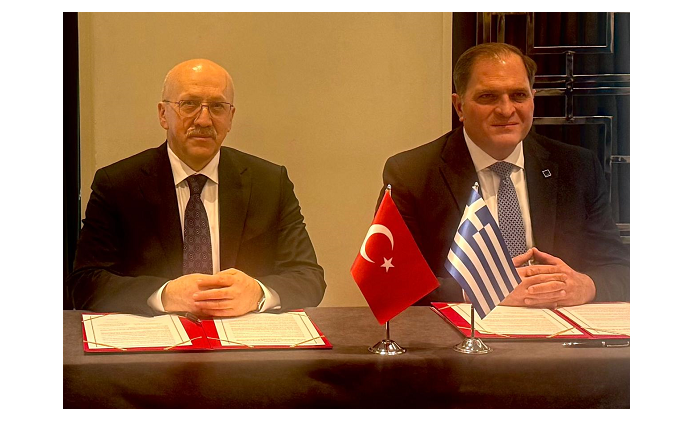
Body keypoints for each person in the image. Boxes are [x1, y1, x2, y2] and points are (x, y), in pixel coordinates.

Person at [68, 59, 326, 317]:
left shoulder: (269, 183)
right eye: (189, 104)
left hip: (243, 338)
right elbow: (85, 284)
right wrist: (163, 295)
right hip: (156, 338)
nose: (203, 120)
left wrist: (259, 293)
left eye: (217, 107)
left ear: (230, 118)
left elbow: (309, 277)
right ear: (163, 114)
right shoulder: (118, 185)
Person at [379, 43, 629, 308]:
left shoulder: (577, 167)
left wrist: (585, 285)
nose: (506, 110)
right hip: (464, 328)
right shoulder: (412, 173)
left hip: (558, 326)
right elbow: (391, 280)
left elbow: (620, 270)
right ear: (460, 106)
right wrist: (483, 290)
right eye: (488, 97)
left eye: (518, 95)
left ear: (533, 99)